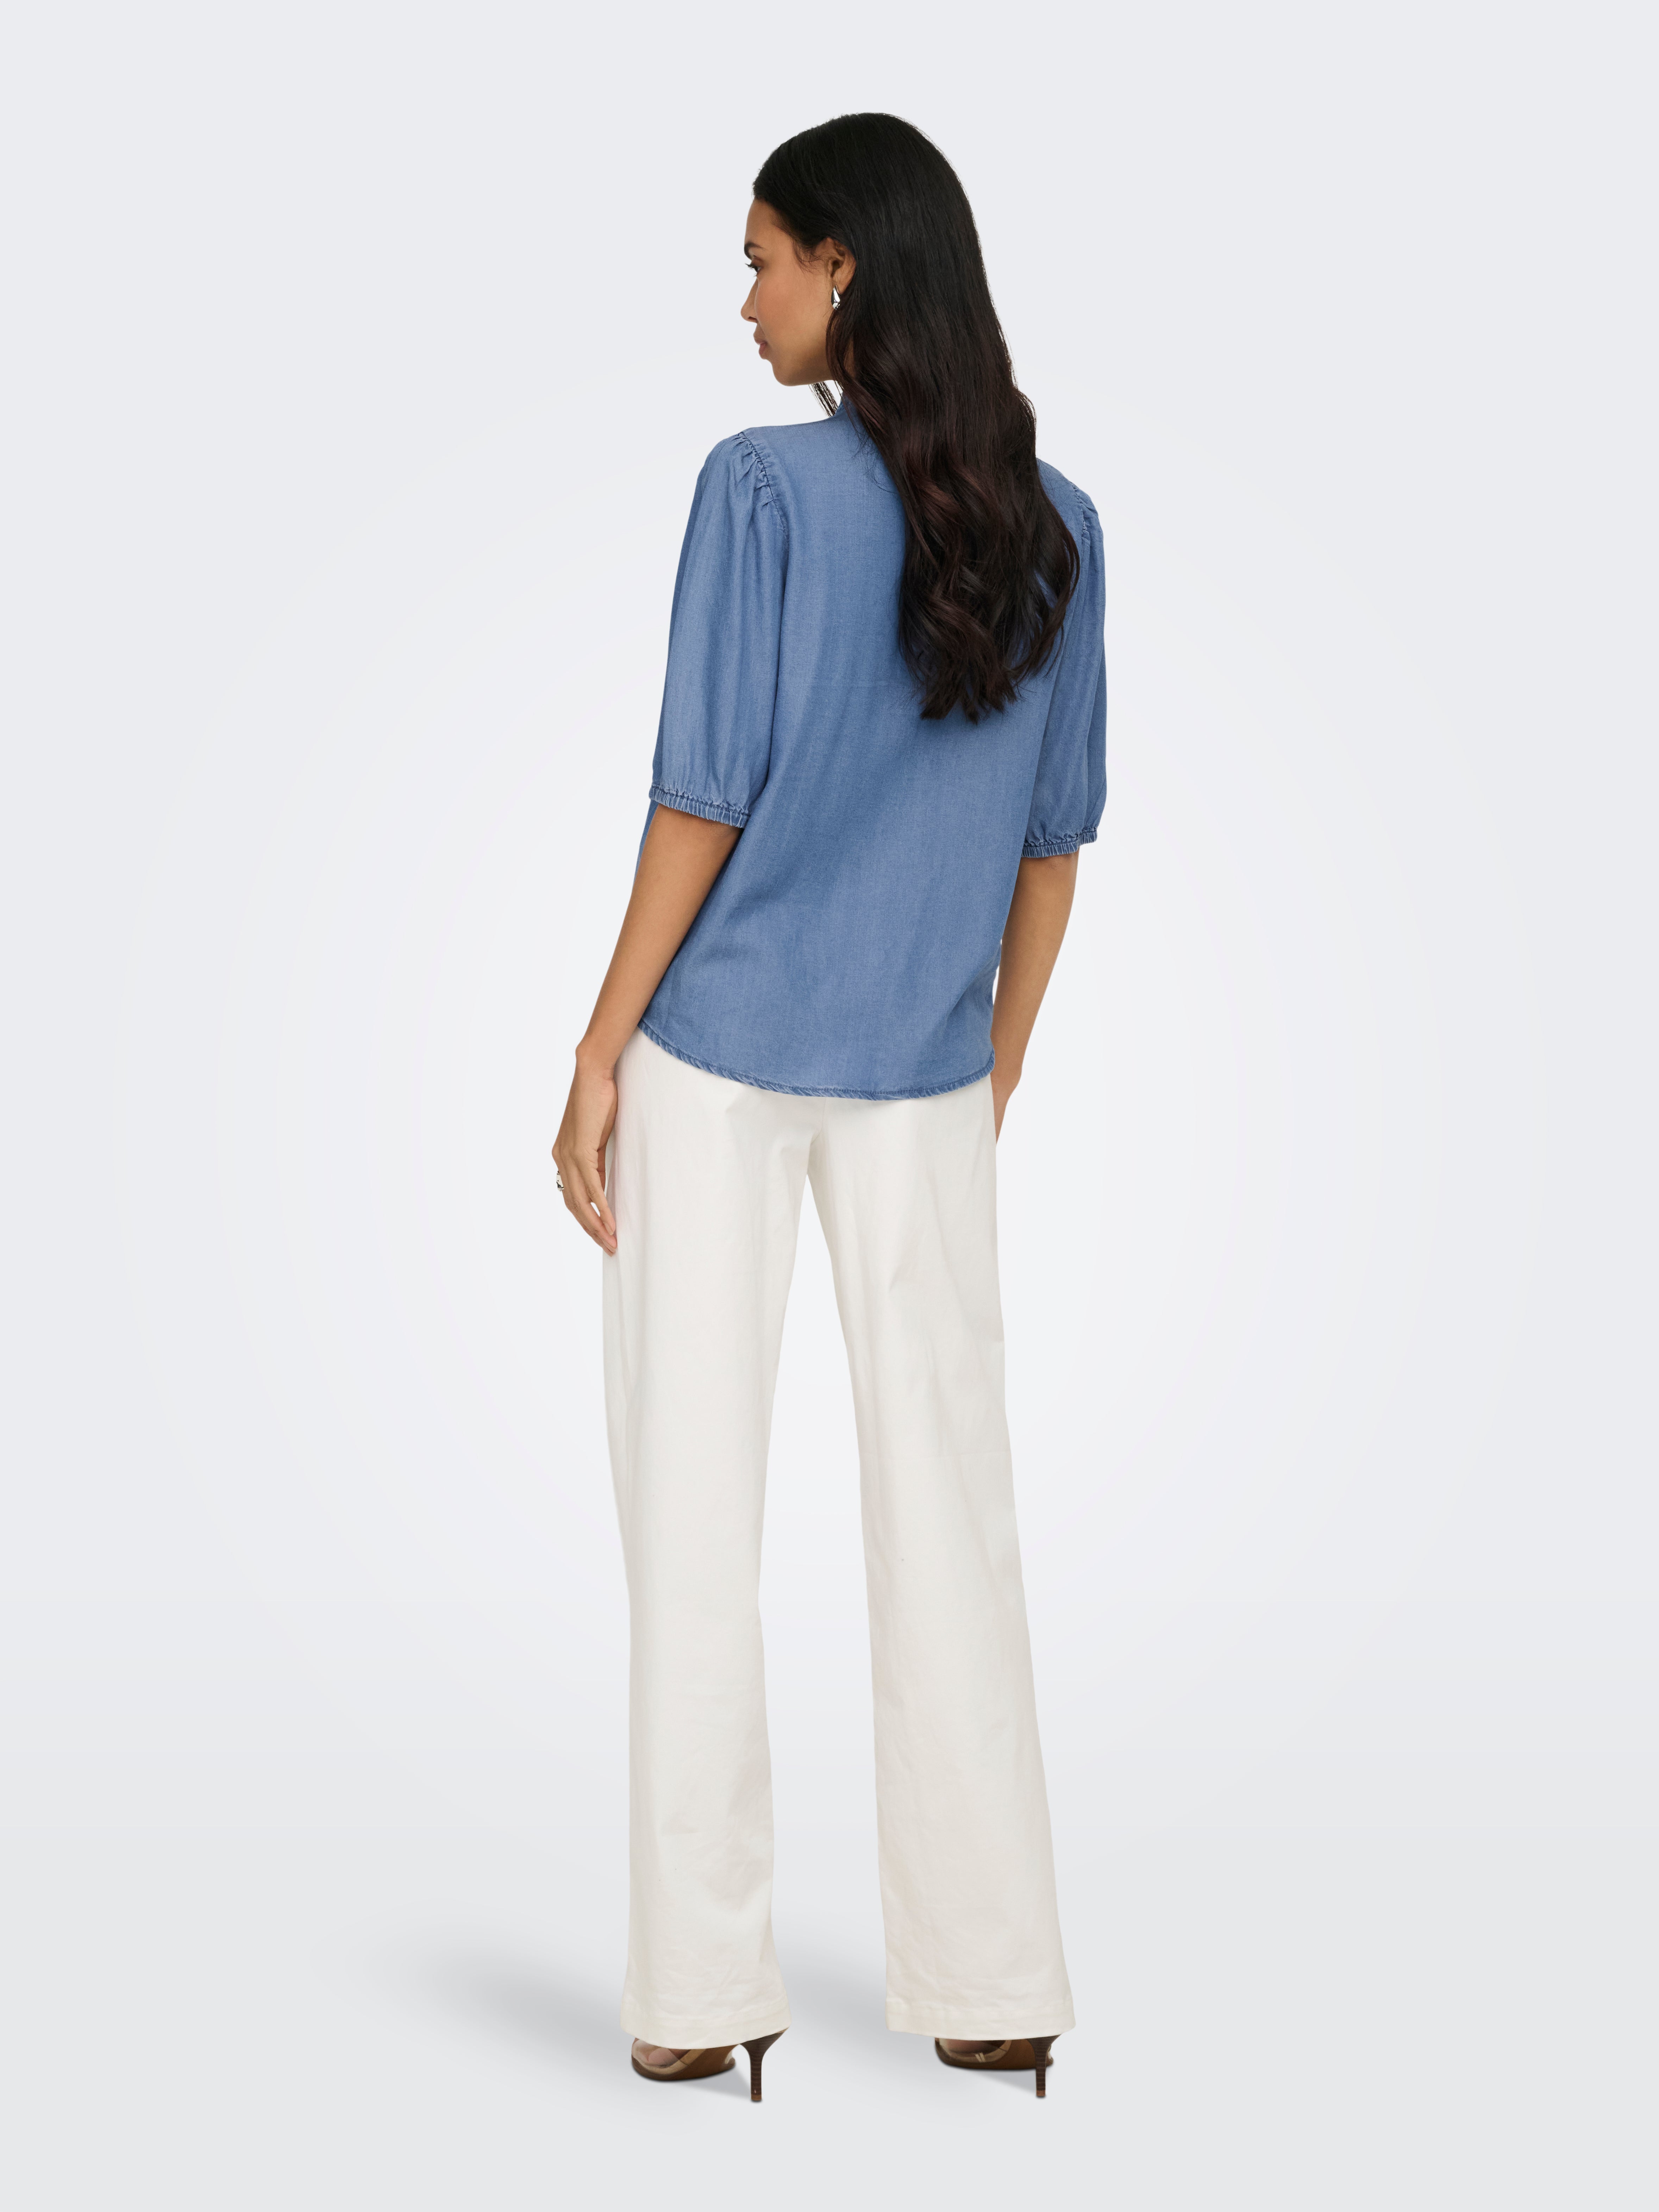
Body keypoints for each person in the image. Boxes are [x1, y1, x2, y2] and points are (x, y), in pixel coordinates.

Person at [551, 111, 1105, 2105]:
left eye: (763, 258)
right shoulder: (1057, 523)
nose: (748, 300)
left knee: (690, 1507)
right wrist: (992, 1060)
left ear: (843, 267)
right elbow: (1053, 841)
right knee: (954, 1510)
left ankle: (701, 1993)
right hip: (926, 1077)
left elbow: (700, 794)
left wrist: (597, 1048)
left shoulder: (761, 491)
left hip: (720, 1057)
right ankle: (994, 1980)